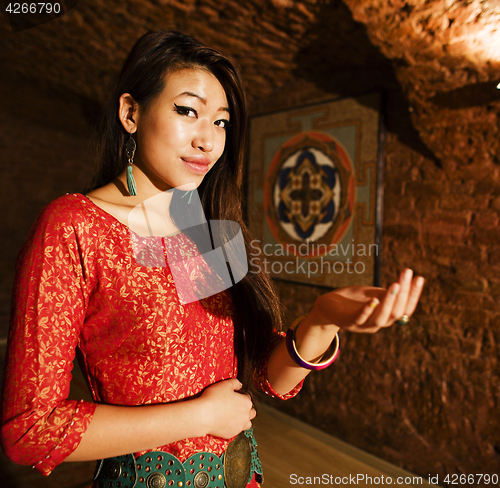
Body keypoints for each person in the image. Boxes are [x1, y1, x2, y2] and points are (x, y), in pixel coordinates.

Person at [0, 30, 424, 488]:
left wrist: (324, 318)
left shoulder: (209, 232)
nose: (208, 140)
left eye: (221, 122)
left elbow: (266, 376)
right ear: (130, 113)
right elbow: (31, 429)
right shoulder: (74, 227)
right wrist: (199, 416)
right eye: (187, 111)